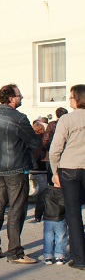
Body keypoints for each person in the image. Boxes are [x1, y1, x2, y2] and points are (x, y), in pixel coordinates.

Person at [0, 84, 41, 263]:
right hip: (16, 168)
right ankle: (15, 252)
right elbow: (34, 142)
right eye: (19, 95)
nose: (21, 97)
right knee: (16, 210)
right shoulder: (19, 118)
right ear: (11, 98)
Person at [49, 84, 85, 270]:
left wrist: (55, 170)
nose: (69, 100)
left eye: (71, 97)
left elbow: (55, 148)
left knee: (73, 213)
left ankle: (80, 258)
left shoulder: (66, 119)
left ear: (78, 98)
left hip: (70, 167)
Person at [35, 185, 68, 265]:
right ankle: (59, 256)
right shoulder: (64, 192)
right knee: (61, 238)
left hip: (48, 218)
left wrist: (38, 216)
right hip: (60, 218)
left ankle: (48, 256)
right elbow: (67, 206)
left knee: (48, 238)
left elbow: (40, 205)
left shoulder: (45, 192)